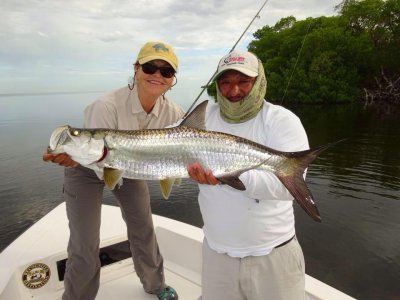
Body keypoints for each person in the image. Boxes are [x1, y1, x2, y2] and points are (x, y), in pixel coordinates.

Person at [43, 41, 182, 300]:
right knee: (85, 242)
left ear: (172, 79)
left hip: (129, 169)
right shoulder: (105, 106)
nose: (157, 75)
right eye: (150, 67)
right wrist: (71, 157)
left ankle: (155, 284)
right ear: (136, 69)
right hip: (86, 168)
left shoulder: (174, 114)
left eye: (166, 71)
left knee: (143, 227)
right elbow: (91, 152)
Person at [187, 50, 308, 300]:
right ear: (217, 85)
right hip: (216, 255)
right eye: (226, 82)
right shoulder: (203, 117)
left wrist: (227, 175)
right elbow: (154, 142)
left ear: (259, 81)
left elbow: (287, 189)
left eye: (243, 81)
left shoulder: (281, 121)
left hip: (273, 255)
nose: (234, 91)